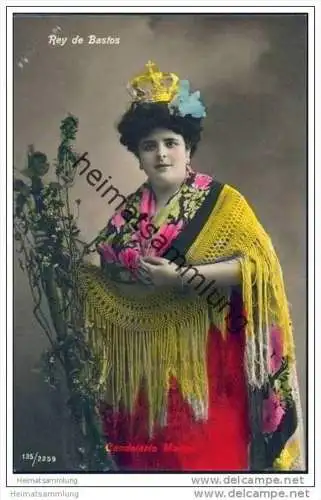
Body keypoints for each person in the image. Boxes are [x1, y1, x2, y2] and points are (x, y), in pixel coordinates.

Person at [78, 61, 305, 471]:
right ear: (138, 156)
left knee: (205, 460)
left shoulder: (223, 201)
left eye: (171, 142)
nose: (161, 154)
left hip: (210, 357)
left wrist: (180, 277)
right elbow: (104, 259)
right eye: (150, 146)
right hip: (150, 367)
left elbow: (258, 267)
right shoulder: (130, 211)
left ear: (187, 148)